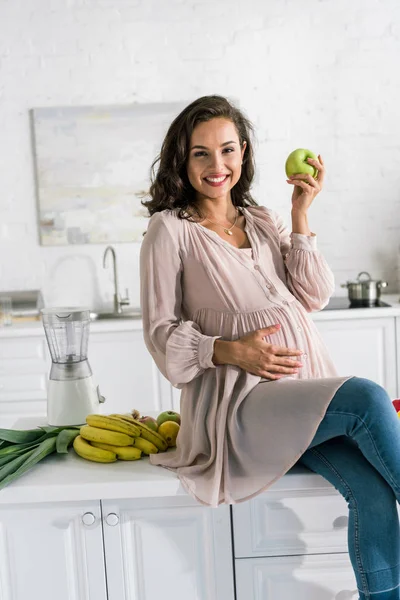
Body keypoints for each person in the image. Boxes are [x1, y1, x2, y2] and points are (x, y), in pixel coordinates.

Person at [139, 95, 400, 600]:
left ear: (244, 154)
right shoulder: (169, 231)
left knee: (370, 492)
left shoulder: (260, 219)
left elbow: (313, 294)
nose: (218, 166)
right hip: (241, 407)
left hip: (298, 394)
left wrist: (301, 212)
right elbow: (159, 332)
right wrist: (229, 351)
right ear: (181, 159)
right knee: (366, 398)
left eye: (228, 150)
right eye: (201, 154)